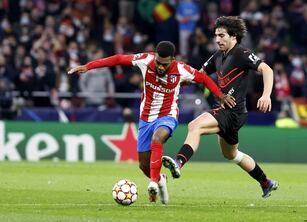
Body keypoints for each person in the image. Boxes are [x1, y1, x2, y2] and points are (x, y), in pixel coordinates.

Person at [68, 41, 235, 204]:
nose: (160, 67)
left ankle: (153, 183)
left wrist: (221, 96)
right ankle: (160, 179)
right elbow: (118, 59)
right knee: (143, 165)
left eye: (164, 64)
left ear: (172, 59)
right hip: (146, 118)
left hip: (167, 115)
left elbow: (204, 78)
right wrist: (88, 66)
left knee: (157, 138)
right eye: (158, 63)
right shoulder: (146, 60)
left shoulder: (182, 69)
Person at [162, 16, 279, 198]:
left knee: (195, 126)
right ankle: (266, 182)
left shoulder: (241, 53)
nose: (217, 40)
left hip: (232, 111)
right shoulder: (218, 56)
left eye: (222, 35)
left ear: (234, 36)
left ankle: (178, 163)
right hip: (229, 112)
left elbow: (267, 69)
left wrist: (265, 95)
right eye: (216, 35)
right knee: (231, 154)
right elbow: (199, 75)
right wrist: (178, 81)